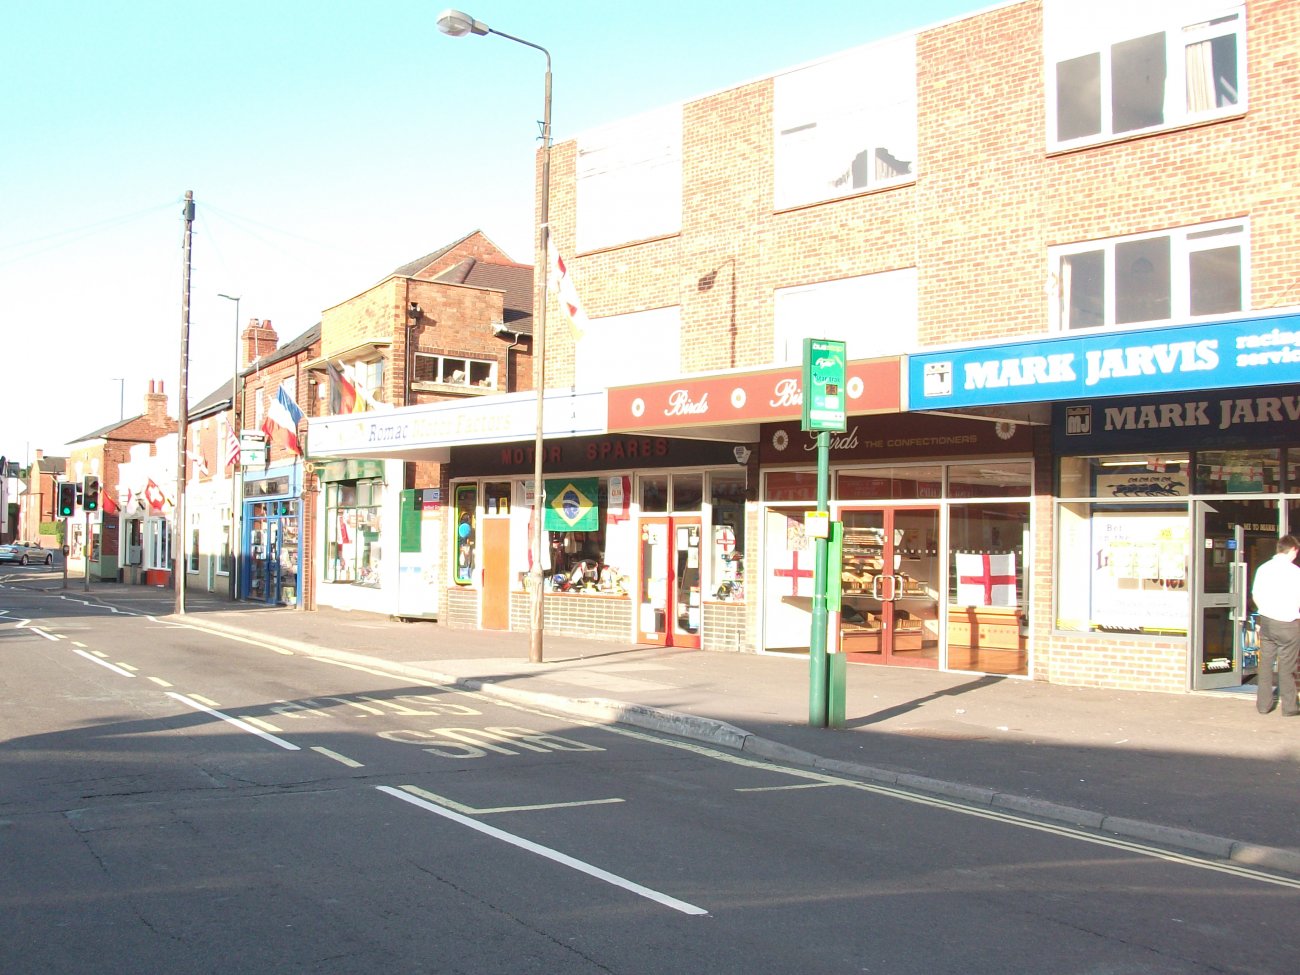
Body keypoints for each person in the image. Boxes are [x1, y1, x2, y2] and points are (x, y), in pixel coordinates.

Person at [1250, 534, 1300, 717]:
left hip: (1267, 621)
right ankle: (1289, 707)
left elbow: (1255, 593)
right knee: (1287, 666)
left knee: (1265, 664)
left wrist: (1263, 608)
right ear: (1292, 550)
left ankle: (1263, 705)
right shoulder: (1295, 572)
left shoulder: (1263, 569)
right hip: (1288, 623)